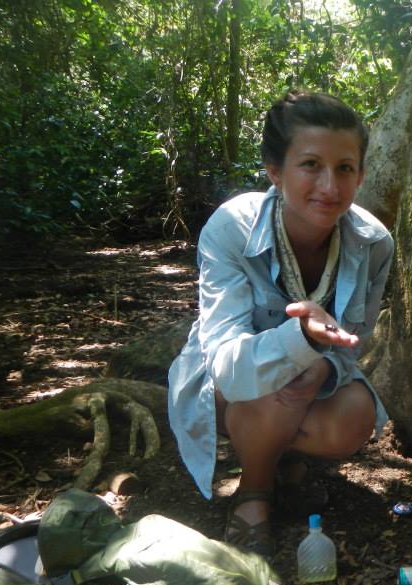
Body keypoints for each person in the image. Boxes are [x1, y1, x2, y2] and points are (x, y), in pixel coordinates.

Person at [168, 90, 393, 557]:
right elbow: (226, 364)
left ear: (361, 174)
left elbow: (355, 340)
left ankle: (276, 452)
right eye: (311, 165)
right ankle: (255, 490)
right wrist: (298, 340)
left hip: (314, 380)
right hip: (233, 381)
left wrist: (318, 361)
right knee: (282, 383)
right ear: (275, 172)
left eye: (345, 168)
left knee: (353, 417)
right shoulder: (231, 227)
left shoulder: (373, 242)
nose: (330, 187)